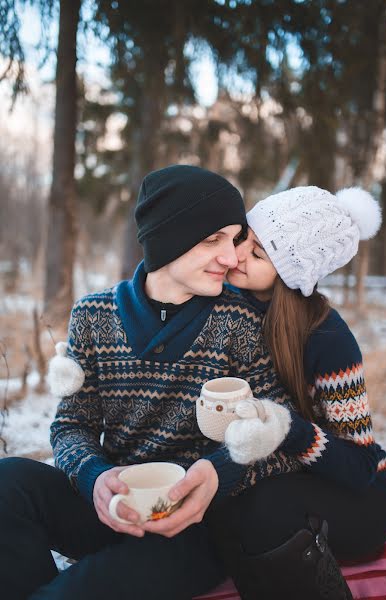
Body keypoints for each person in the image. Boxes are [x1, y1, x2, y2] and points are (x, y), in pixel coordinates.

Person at [0, 165, 301, 600]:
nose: (232, 258)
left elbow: (277, 430)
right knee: (8, 482)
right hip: (115, 508)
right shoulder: (93, 315)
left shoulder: (239, 320)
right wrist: (95, 478)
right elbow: (71, 426)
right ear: (168, 240)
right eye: (212, 240)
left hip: (193, 531)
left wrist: (219, 473)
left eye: (234, 240)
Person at [207, 185, 386, 600]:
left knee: (262, 505)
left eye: (257, 254)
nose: (236, 254)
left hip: (358, 501)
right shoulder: (222, 306)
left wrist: (288, 431)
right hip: (275, 478)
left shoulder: (326, 336)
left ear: (292, 272)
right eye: (242, 238)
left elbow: (359, 463)